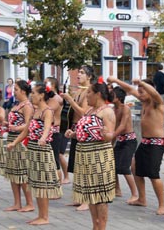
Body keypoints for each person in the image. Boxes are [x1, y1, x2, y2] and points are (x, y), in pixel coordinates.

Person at [107, 76, 164, 215]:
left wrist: (141, 83)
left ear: (150, 90)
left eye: (143, 89)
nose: (140, 92)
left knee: (153, 175)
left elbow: (155, 94)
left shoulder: (157, 102)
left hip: (156, 143)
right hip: (145, 142)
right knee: (134, 167)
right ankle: (142, 198)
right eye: (139, 90)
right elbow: (129, 89)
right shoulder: (144, 102)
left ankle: (162, 205)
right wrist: (116, 80)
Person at [65, 77, 116, 230]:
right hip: (85, 155)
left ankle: (102, 226)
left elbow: (110, 135)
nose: (86, 96)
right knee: (91, 194)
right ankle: (95, 225)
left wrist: (105, 134)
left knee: (100, 195)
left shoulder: (107, 111)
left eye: (89, 93)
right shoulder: (90, 110)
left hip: (99, 156)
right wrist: (73, 134)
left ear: (98, 94)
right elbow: (87, 131)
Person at [7, 84, 62, 225]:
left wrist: (43, 137)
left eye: (33, 93)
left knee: (42, 184)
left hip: (42, 151)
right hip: (32, 149)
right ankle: (40, 215)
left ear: (42, 95)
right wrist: (15, 142)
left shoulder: (47, 111)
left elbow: (48, 127)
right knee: (36, 184)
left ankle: (45, 217)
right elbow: (26, 131)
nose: (31, 95)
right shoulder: (35, 111)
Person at [61, 65, 94, 211]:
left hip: (83, 132)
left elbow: (84, 113)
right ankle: (79, 197)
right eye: (78, 72)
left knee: (84, 167)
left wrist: (70, 99)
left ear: (89, 77)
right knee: (77, 166)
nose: (78, 75)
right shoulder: (79, 90)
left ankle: (87, 200)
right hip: (75, 130)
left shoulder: (89, 92)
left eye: (82, 73)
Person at [4, 80, 34, 212]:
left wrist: (15, 128)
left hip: (21, 140)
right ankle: (17, 202)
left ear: (23, 91)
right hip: (11, 138)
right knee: (13, 172)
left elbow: (28, 125)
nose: (13, 92)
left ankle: (29, 203)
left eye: (16, 89)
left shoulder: (27, 105)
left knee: (22, 173)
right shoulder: (17, 104)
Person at [111, 86, 138, 203]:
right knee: (112, 166)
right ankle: (117, 189)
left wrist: (111, 136)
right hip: (119, 140)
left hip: (129, 141)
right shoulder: (112, 109)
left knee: (124, 167)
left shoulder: (125, 108)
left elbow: (122, 126)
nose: (110, 97)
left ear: (119, 98)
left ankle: (135, 194)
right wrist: (110, 143)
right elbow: (113, 126)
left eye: (113, 95)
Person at [45, 77, 63, 183]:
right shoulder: (50, 99)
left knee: (55, 159)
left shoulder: (56, 99)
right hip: (50, 130)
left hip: (55, 131)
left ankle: (58, 185)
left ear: (52, 85)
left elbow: (48, 112)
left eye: (45, 84)